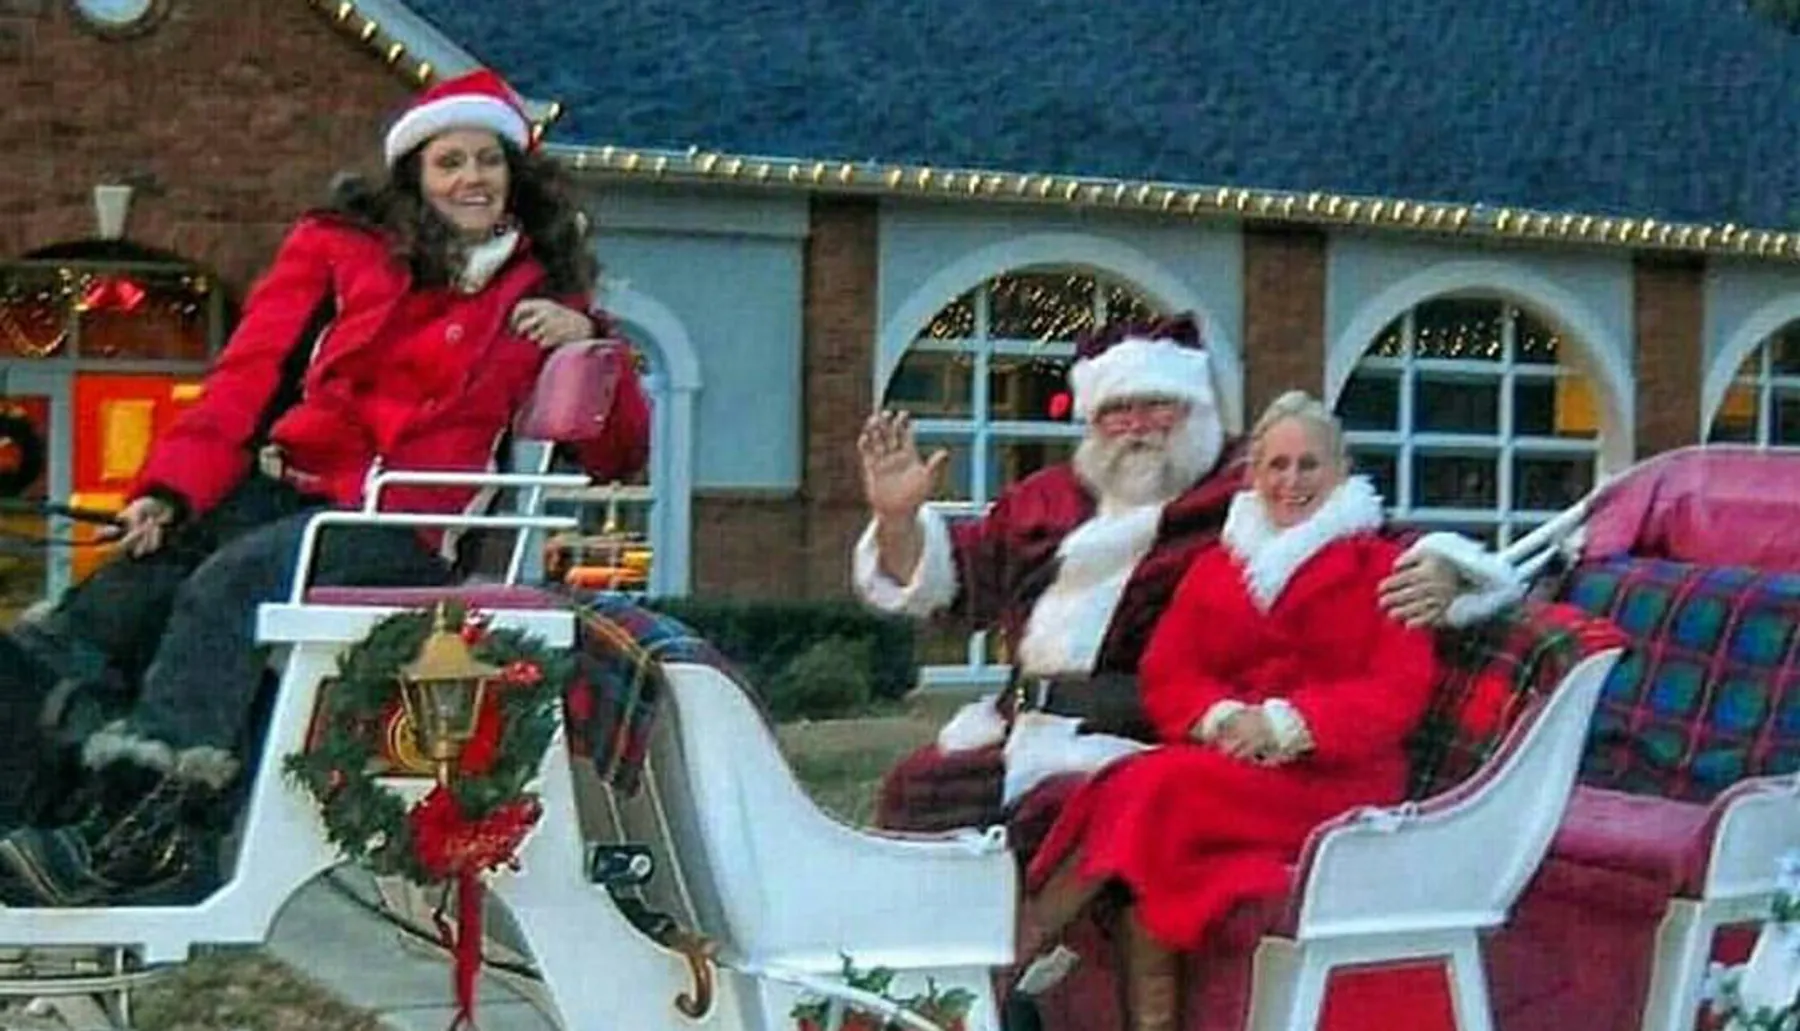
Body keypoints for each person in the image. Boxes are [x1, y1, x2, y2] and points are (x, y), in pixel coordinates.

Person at [0, 69, 650, 906]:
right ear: (415, 175)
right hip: (291, 489)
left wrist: (588, 337)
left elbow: (618, 451)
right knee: (118, 596)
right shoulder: (340, 251)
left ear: (514, 173)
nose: (471, 179)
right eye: (448, 161)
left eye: (487, 160)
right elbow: (246, 375)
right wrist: (169, 489)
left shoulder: (545, 291)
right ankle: (31, 805)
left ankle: (150, 838)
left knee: (232, 584)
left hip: (406, 522)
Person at [856, 314, 1520, 836]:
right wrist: (898, 519)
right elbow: (956, 583)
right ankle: (930, 993)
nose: (1138, 427)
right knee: (916, 795)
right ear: (1092, 420)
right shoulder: (1044, 497)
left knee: (1047, 829)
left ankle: (1033, 988)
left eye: (1158, 406)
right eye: (1119, 410)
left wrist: (1442, 567)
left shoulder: (1245, 493)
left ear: (1195, 409)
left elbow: (1358, 528)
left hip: (1139, 738)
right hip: (1015, 730)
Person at [1014, 391, 1440, 1031]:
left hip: (1336, 784)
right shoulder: (1220, 566)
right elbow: (1168, 672)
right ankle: (1046, 961)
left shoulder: (1385, 568)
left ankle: (1023, 947)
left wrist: (1283, 725)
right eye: (1276, 465)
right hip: (1232, 769)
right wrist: (1219, 719)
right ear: (1253, 474)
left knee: (1155, 782)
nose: (1290, 481)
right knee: (1153, 878)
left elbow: (1395, 693)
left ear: (1341, 472)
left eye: (1308, 466)